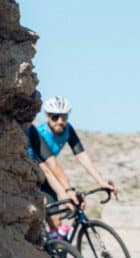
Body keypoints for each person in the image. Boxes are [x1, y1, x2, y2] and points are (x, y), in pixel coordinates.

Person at [25, 95, 115, 234]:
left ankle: (59, 248)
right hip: (38, 172)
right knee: (44, 218)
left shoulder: (68, 129)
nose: (60, 121)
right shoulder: (40, 133)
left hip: (50, 175)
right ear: (47, 117)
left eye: (64, 117)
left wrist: (101, 181)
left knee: (57, 222)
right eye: (55, 117)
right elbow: (49, 167)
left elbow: (82, 155)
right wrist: (66, 192)